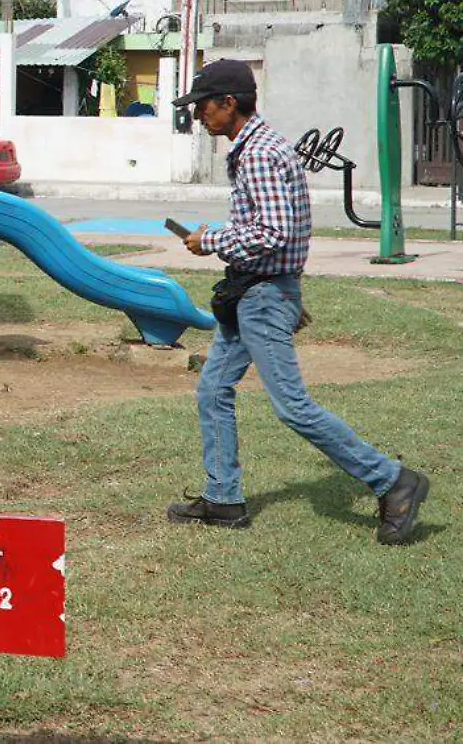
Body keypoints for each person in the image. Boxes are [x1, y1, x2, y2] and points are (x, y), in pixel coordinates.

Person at [169, 59, 428, 544]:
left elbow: (273, 231)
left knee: (292, 407)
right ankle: (223, 497)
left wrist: (212, 240)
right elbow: (272, 230)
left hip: (264, 296)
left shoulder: (260, 153)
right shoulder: (255, 147)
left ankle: (394, 481)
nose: (198, 115)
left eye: (203, 105)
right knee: (212, 390)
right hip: (253, 291)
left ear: (229, 103)